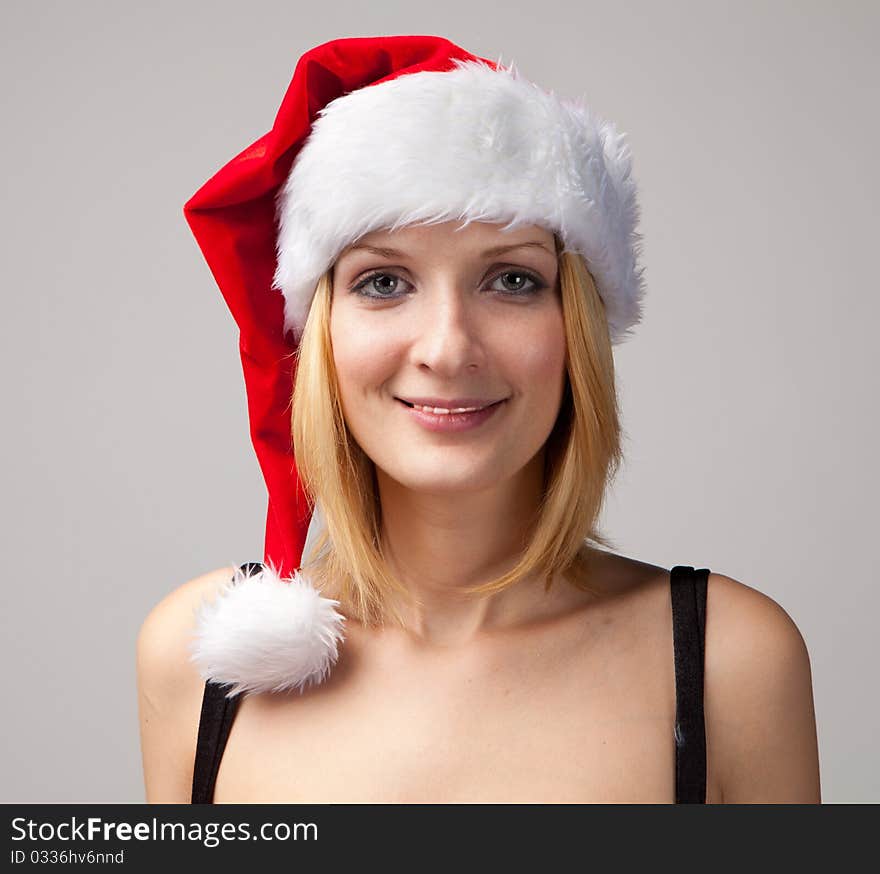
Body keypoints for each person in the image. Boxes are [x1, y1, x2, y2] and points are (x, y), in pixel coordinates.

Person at [136, 34, 821, 804]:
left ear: (578, 329)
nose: (448, 347)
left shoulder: (729, 661)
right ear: (318, 333)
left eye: (513, 279)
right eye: (385, 280)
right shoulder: (196, 659)